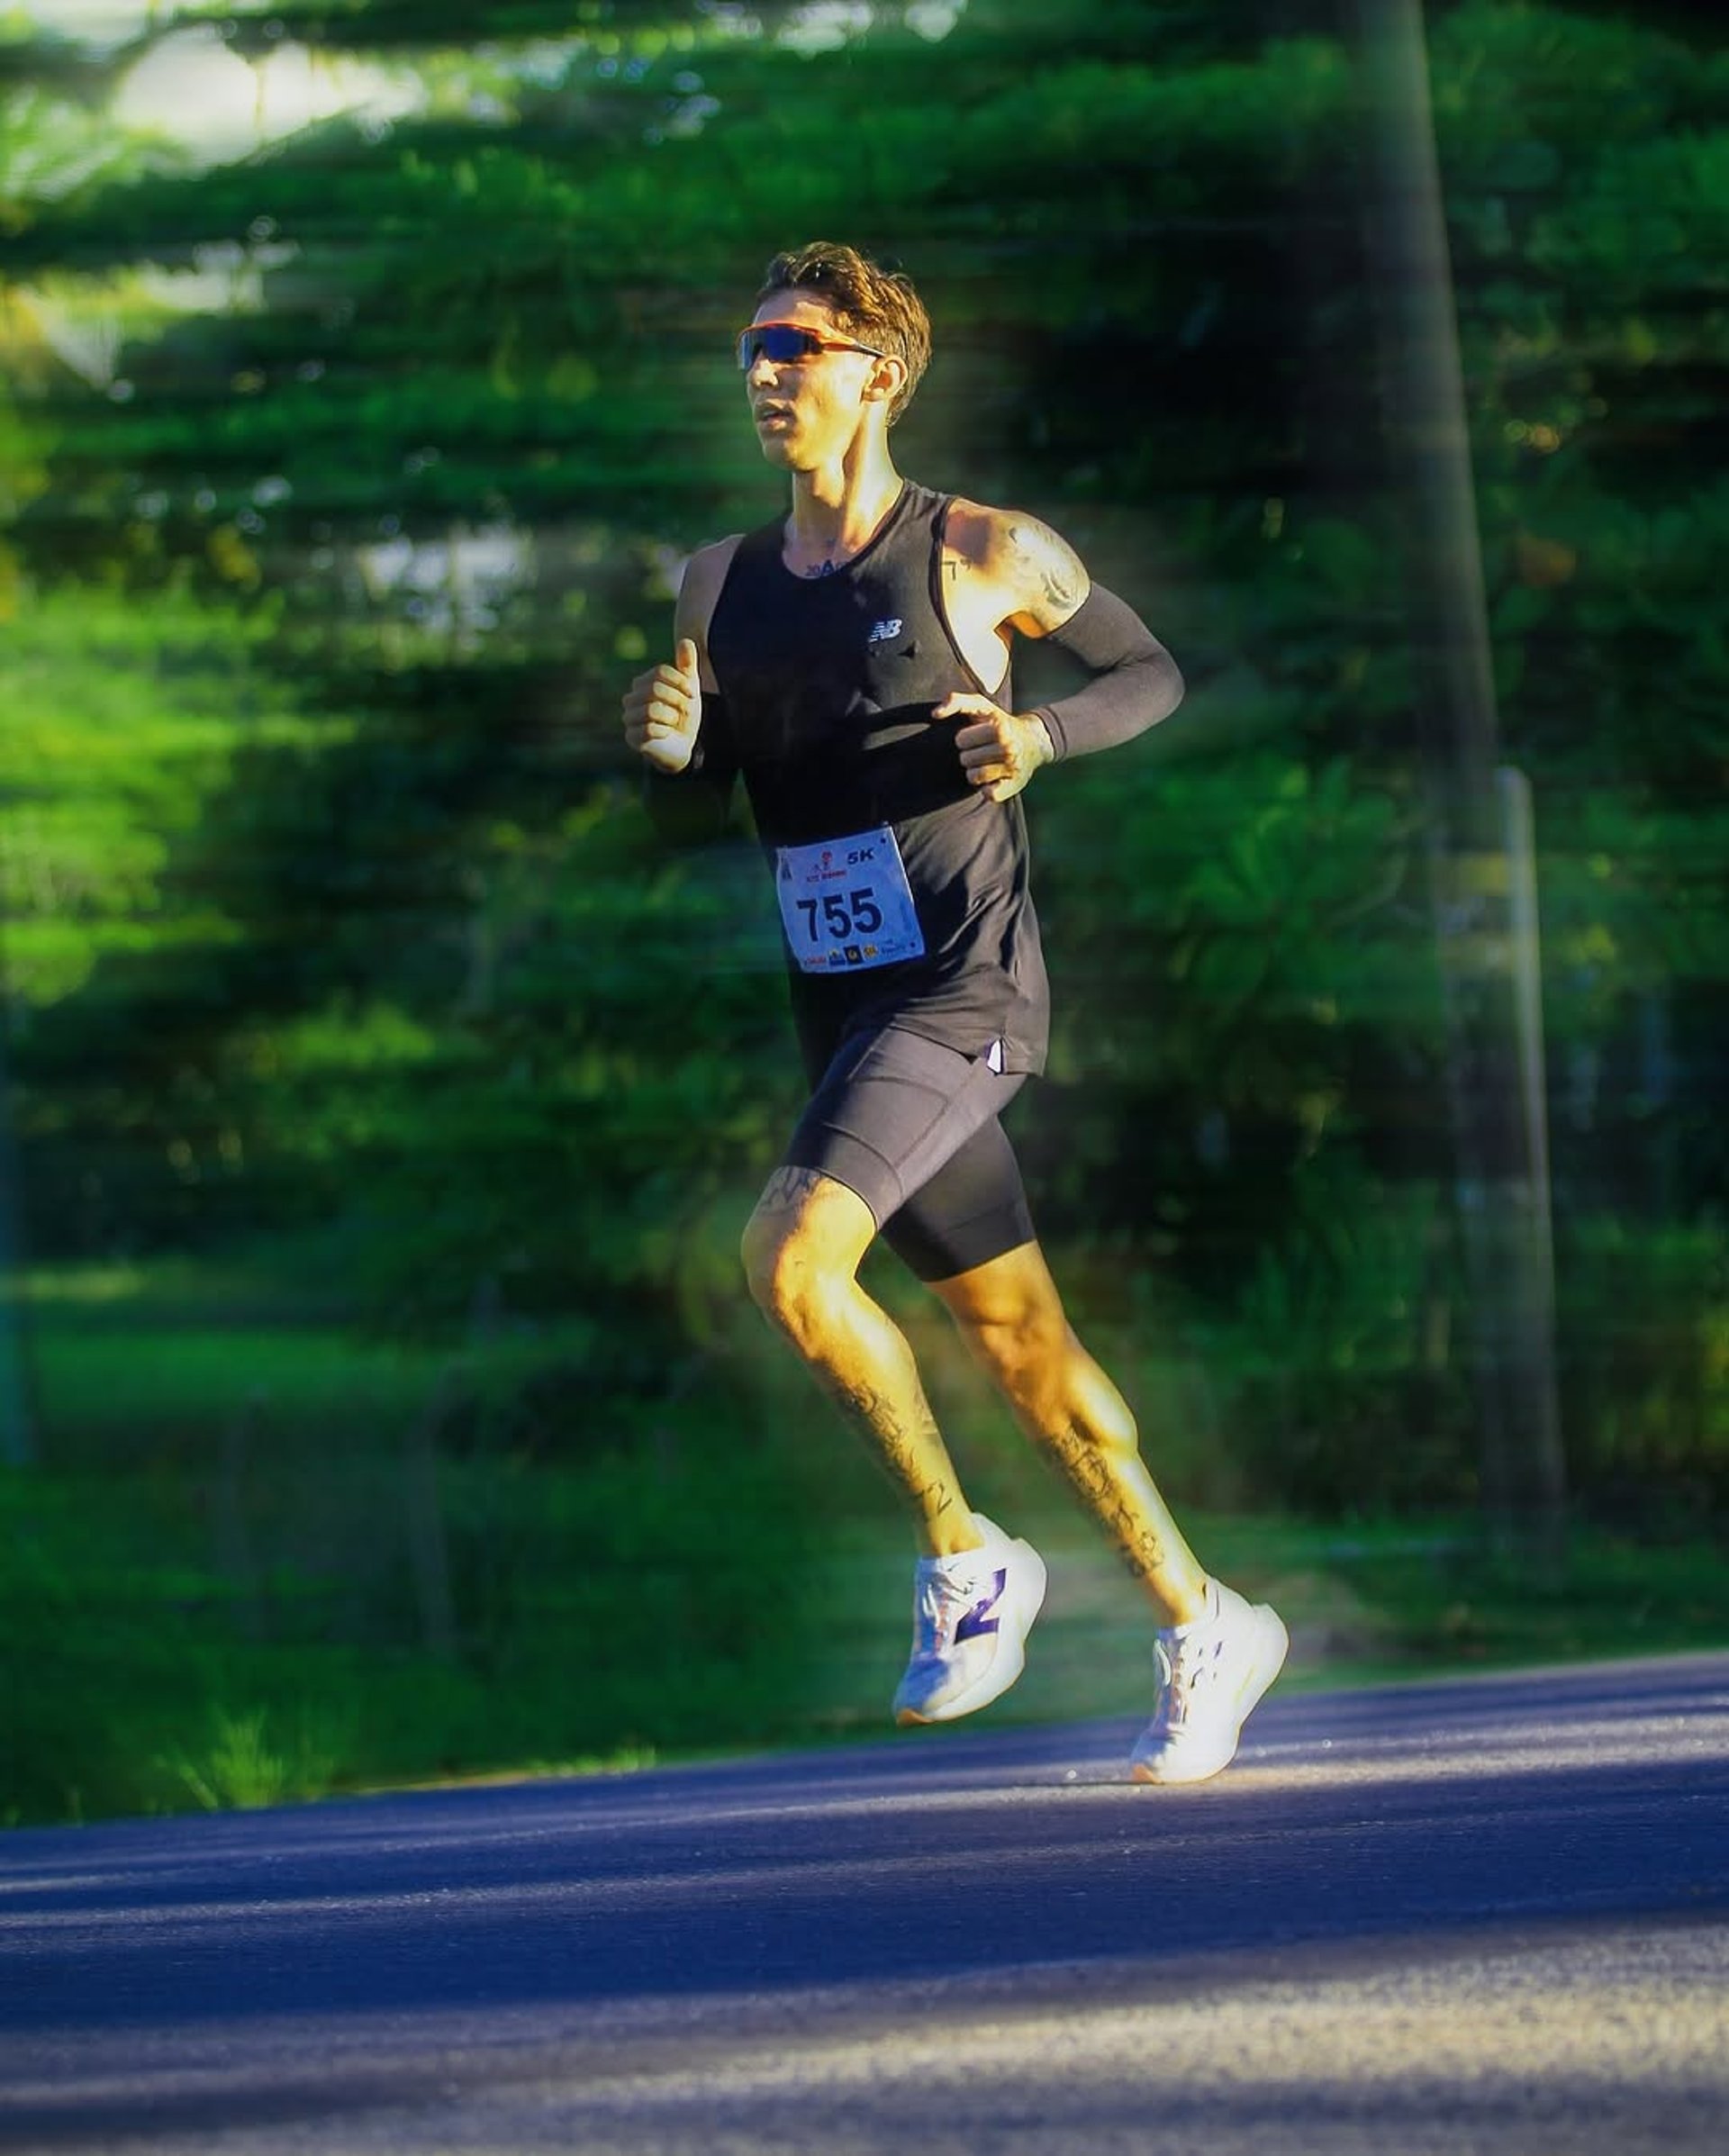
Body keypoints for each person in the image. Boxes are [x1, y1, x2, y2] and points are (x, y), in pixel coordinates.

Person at [621, 241, 1286, 1783]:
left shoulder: (985, 549)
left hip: (964, 989)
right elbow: (705, 812)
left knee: (790, 1263)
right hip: (847, 1014)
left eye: (796, 345)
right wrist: (670, 758)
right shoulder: (714, 583)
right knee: (1022, 1342)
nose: (765, 371)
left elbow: (1150, 672)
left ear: (880, 372)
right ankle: (1205, 1619)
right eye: (751, 347)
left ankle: (964, 1553)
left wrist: (1040, 735)